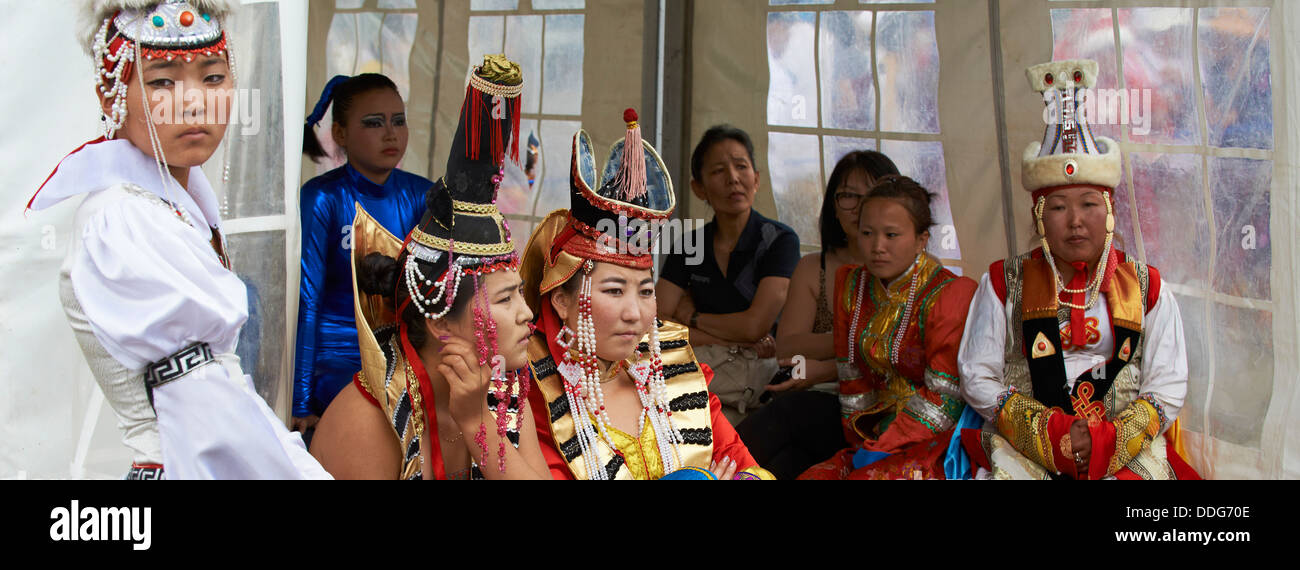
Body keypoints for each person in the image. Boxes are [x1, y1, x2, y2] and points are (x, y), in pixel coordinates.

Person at [27, 0, 329, 479]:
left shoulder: (171, 207)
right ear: (111, 97)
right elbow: (210, 415)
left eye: (212, 78)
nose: (194, 101)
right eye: (162, 80)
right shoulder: (123, 222)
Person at [309, 54, 551, 480]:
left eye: (519, 292)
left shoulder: (501, 390)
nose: (526, 311)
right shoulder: (369, 420)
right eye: (505, 297)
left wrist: (479, 425)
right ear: (441, 323)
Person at [957, 59, 1199, 480]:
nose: (1074, 221)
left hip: (1121, 443)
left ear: (1108, 212)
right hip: (1027, 443)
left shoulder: (1146, 287)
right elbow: (977, 375)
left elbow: (1168, 383)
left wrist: (1110, 439)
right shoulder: (1002, 282)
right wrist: (1049, 434)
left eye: (1088, 204)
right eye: (1058, 207)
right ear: (1038, 216)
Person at [518, 109, 773, 480]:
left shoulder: (674, 371)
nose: (635, 313)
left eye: (646, 290)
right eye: (615, 290)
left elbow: (747, 467)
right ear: (561, 299)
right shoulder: (536, 393)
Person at [735, 150, 900, 479]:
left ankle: (714, 468)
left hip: (884, 406)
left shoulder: (910, 269)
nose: (860, 206)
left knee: (788, 414)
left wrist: (823, 367)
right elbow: (789, 348)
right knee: (787, 462)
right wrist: (859, 342)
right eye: (848, 195)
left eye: (872, 193)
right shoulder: (816, 267)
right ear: (834, 206)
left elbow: (897, 354)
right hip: (820, 398)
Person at [798, 176, 976, 480]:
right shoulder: (851, 284)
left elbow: (945, 398)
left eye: (891, 235)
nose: (877, 246)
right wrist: (862, 444)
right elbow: (851, 375)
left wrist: (886, 445)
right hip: (874, 435)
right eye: (867, 233)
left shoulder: (949, 294)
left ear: (921, 240)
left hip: (937, 439)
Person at [292, 73, 431, 436]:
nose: (391, 134)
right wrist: (300, 401)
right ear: (340, 134)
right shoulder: (322, 197)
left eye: (398, 121)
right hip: (337, 357)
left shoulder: (422, 195)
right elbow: (308, 299)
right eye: (374, 123)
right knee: (377, 413)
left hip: (402, 354)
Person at [656, 125, 801, 424]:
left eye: (741, 167)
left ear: (757, 179)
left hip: (762, 379)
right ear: (699, 188)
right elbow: (657, 323)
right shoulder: (690, 243)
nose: (733, 178)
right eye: (719, 170)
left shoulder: (778, 240)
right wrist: (727, 338)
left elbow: (754, 325)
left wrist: (691, 317)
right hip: (707, 373)